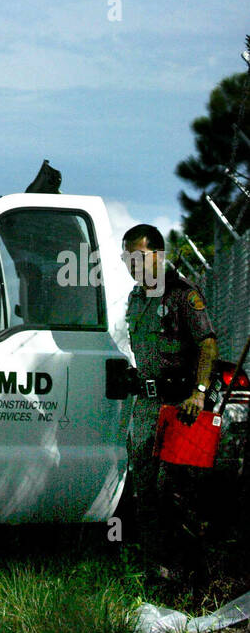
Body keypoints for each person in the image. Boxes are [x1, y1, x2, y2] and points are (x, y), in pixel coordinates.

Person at [121, 223, 218, 583]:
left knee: (178, 494)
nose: (132, 265)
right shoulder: (136, 298)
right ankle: (158, 572)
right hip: (146, 407)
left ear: (158, 255)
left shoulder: (182, 294)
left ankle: (194, 575)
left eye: (139, 257)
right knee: (143, 491)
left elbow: (207, 343)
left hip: (181, 408)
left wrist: (200, 392)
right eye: (127, 258)